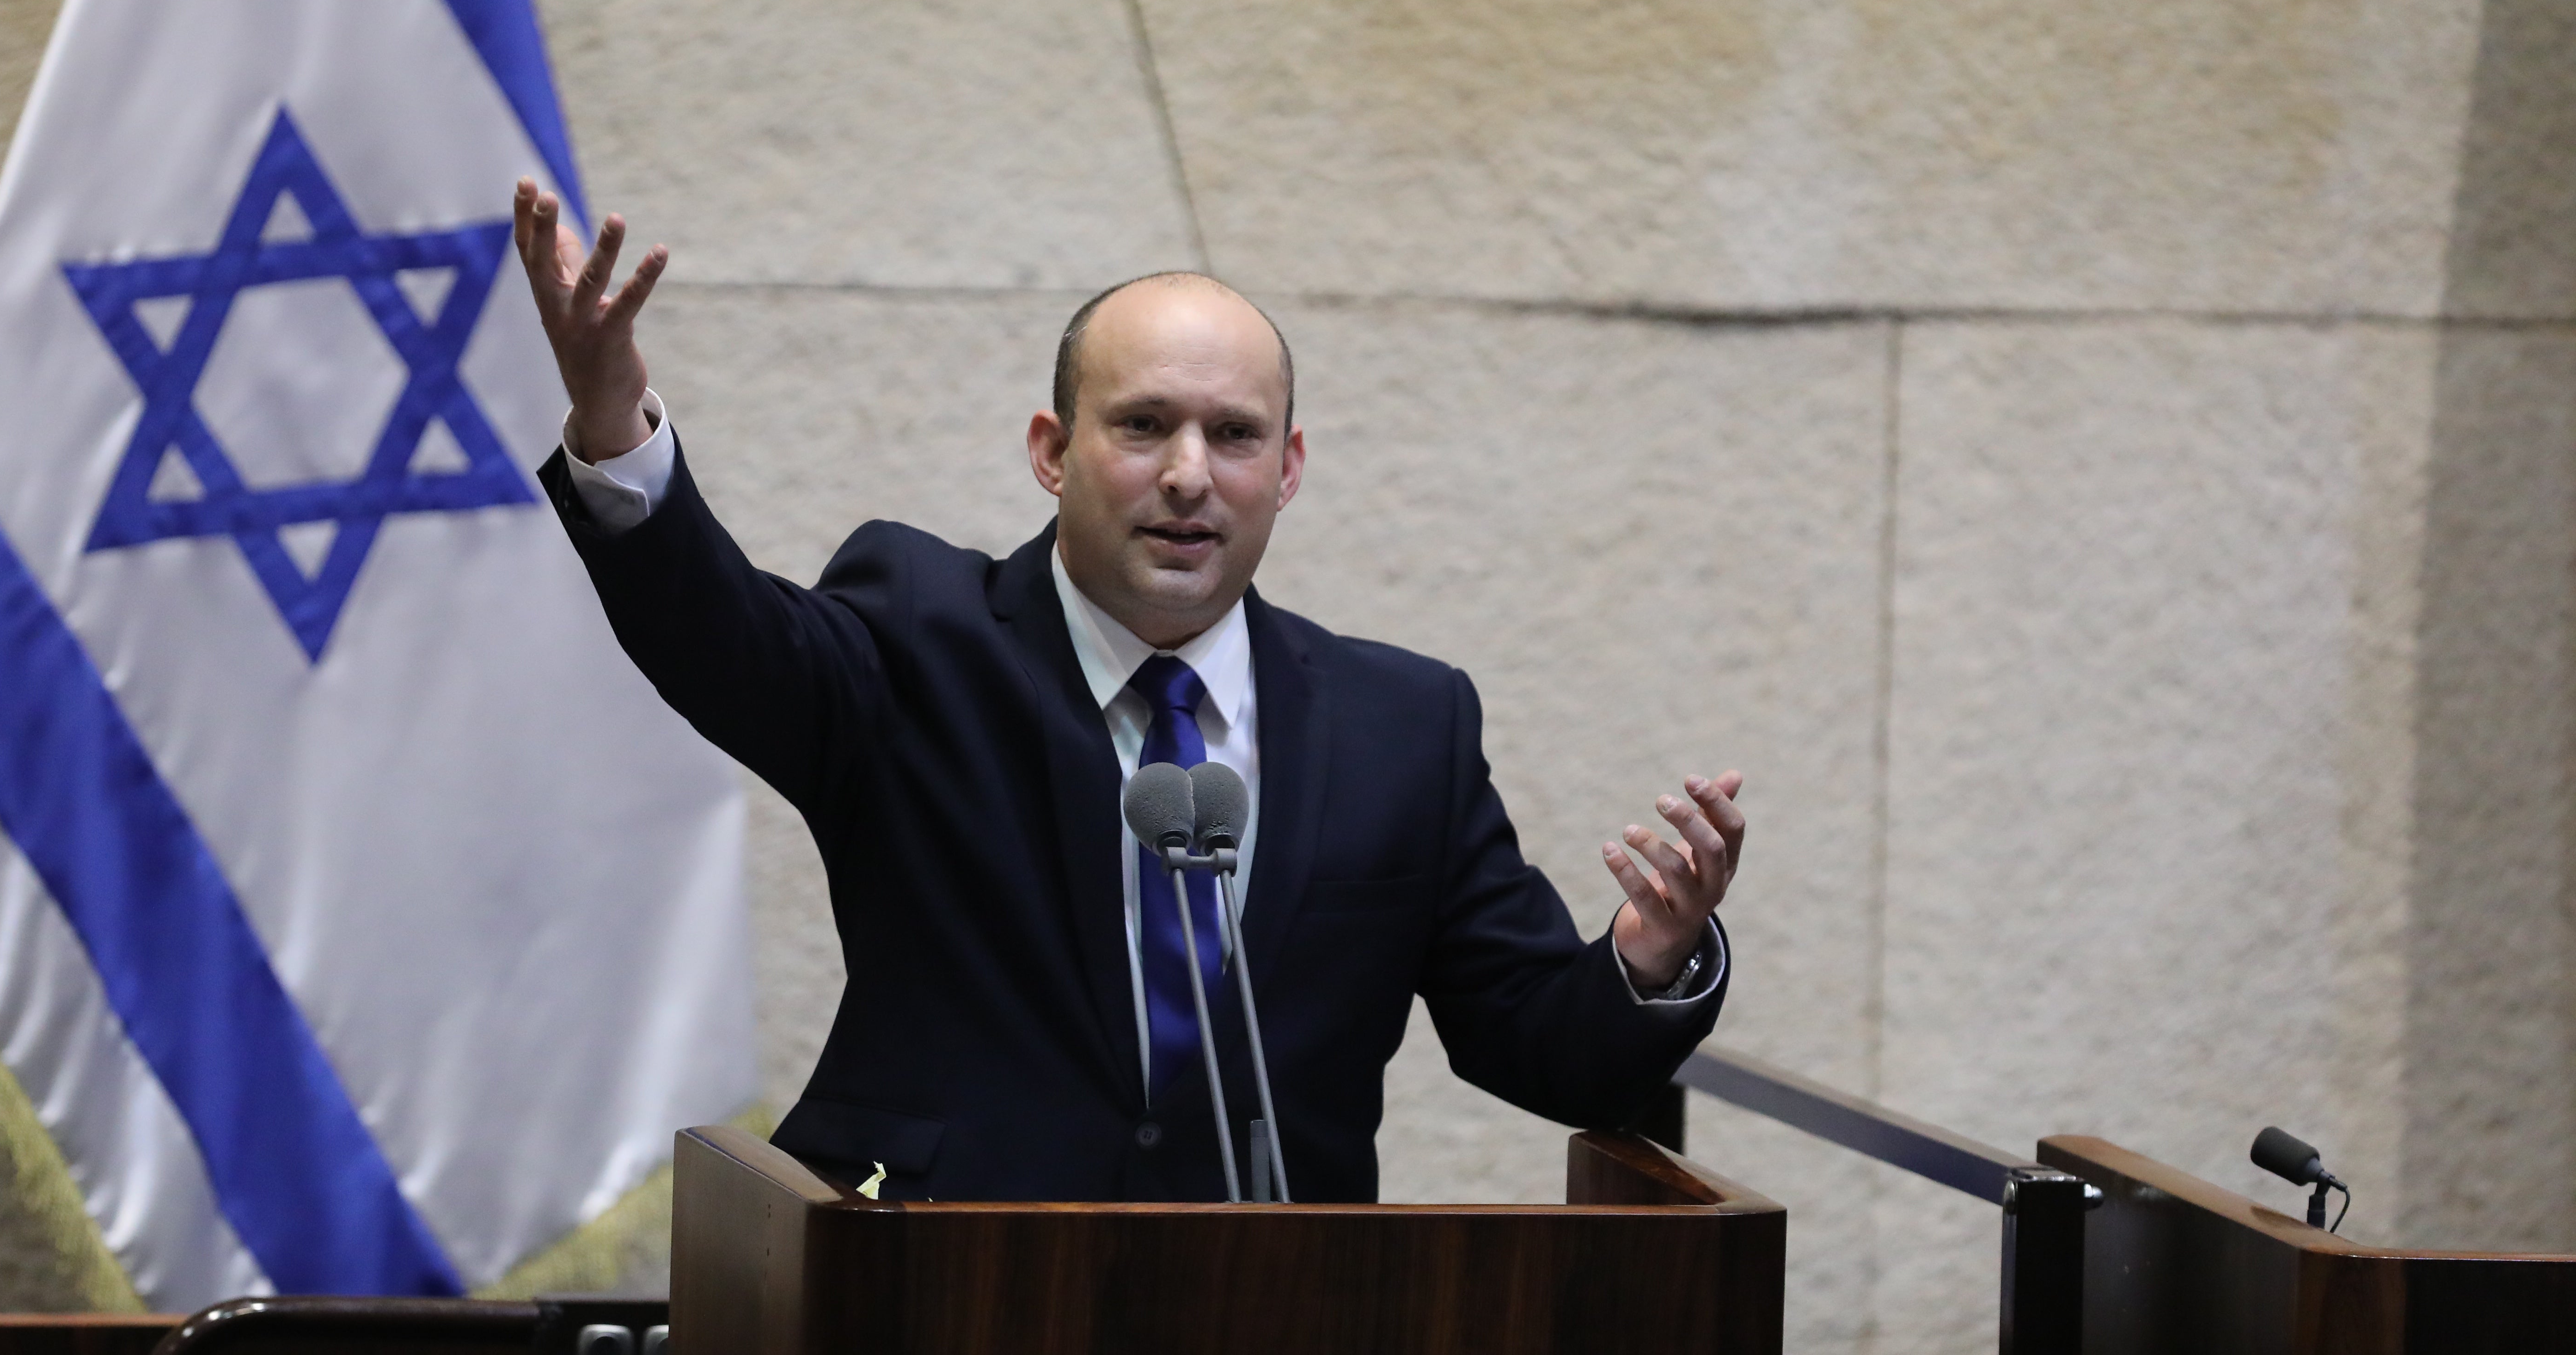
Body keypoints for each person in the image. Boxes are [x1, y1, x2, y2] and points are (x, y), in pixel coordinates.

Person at [512, 184, 1746, 1203]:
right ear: (1052, 451)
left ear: (1290, 469)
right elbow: (722, 639)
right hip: (937, 1279)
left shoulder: (1403, 728)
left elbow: (1538, 1042)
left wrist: (1650, 958)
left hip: (1273, 1302)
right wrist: (614, 420)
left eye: (1235, 435)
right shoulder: (919, 634)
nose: (1189, 477)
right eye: (1144, 425)